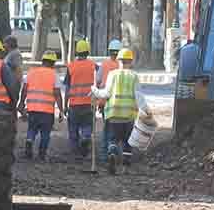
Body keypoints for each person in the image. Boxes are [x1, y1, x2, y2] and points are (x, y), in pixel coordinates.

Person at [91, 47, 150, 175]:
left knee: (112, 139)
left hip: (113, 114)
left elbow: (106, 94)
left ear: (119, 61)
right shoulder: (134, 76)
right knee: (128, 142)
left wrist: (95, 91)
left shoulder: (113, 74)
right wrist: (146, 111)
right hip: (129, 116)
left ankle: (112, 153)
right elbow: (139, 96)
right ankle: (125, 168)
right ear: (131, 61)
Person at [18, 50, 64, 161]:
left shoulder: (31, 72)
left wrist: (21, 103)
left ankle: (29, 140)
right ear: (53, 63)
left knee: (32, 128)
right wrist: (61, 110)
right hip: (47, 111)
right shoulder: (54, 75)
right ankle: (42, 154)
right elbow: (57, 94)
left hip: (32, 108)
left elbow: (24, 89)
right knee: (45, 133)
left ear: (42, 61)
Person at [63, 38, 97, 158]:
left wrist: (65, 105)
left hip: (74, 104)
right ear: (87, 52)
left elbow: (67, 88)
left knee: (73, 128)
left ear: (77, 52)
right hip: (89, 103)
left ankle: (75, 152)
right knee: (87, 125)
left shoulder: (71, 66)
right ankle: (86, 138)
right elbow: (98, 83)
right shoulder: (94, 66)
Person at [97, 37, 123, 158]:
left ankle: (105, 152)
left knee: (107, 127)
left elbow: (98, 82)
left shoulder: (104, 64)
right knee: (118, 127)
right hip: (119, 102)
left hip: (105, 101)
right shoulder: (122, 66)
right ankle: (114, 150)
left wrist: (98, 101)